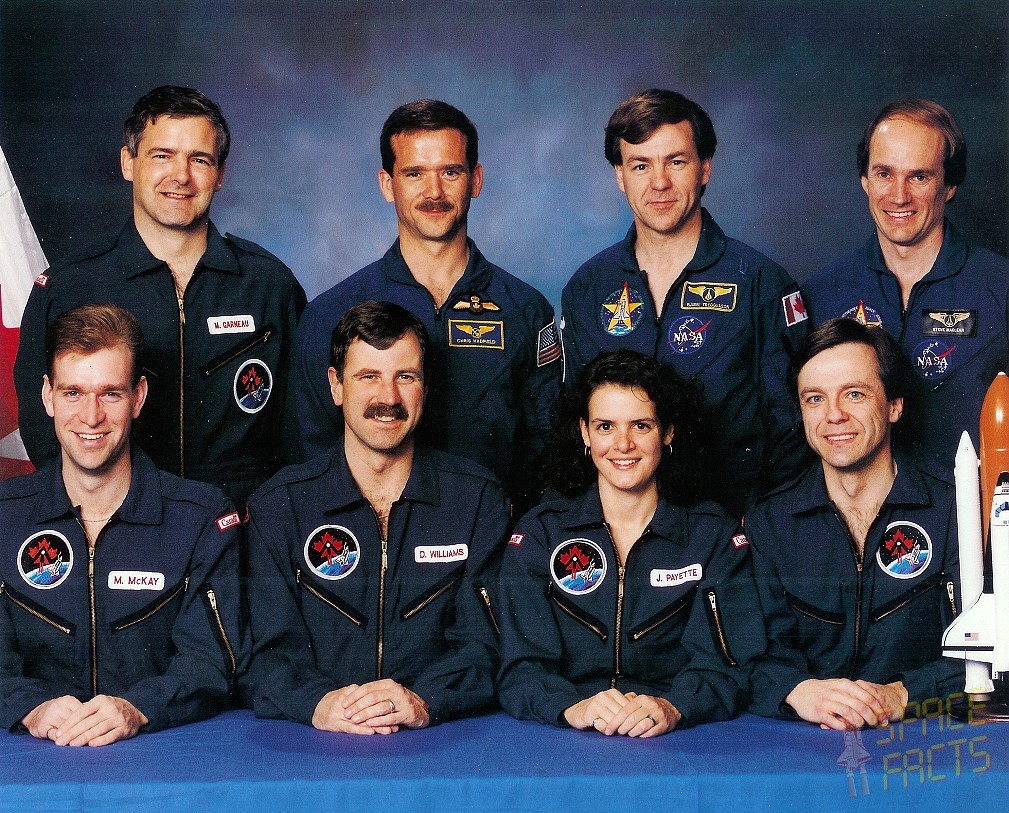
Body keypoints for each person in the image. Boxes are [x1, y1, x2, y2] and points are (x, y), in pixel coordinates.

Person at [14, 85, 306, 506]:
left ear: (220, 174)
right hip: (120, 525)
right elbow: (44, 432)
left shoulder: (268, 285)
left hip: (244, 525)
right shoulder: (69, 288)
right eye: (162, 155)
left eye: (199, 159)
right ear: (128, 163)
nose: (181, 176)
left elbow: (303, 425)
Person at [246, 301, 507, 733]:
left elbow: (485, 645)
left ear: (426, 387)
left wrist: (425, 700)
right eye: (368, 377)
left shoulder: (477, 502)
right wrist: (318, 703)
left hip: (441, 738)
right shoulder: (280, 506)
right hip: (313, 741)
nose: (388, 398)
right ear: (336, 386)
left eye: (405, 377)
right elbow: (264, 652)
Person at [288, 99, 561, 512]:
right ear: (387, 184)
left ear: (475, 180)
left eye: (450, 172)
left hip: (494, 534)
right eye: (414, 173)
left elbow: (546, 450)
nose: (434, 192)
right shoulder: (330, 314)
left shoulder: (525, 310)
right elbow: (309, 455)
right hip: (370, 537)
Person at [0, 304, 244, 745]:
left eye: (110, 394)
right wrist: (30, 707)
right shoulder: (5, 517)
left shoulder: (200, 519)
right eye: (73, 393)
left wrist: (138, 708)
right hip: (32, 760)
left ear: (138, 397)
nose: (91, 416)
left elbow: (211, 662)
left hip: (161, 758)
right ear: (48, 396)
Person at [561, 89, 809, 517]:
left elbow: (793, 429)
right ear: (620, 175)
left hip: (736, 528)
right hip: (621, 530)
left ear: (704, 168)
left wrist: (762, 528)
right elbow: (574, 425)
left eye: (676, 162)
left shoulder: (762, 283)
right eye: (641, 165)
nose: (659, 183)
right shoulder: (588, 288)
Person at [497, 350, 762, 735]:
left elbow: (728, 665)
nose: (622, 445)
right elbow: (519, 669)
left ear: (667, 432)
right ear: (585, 433)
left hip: (678, 737)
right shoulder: (540, 534)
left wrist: (676, 705)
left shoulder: (713, 536)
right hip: (566, 735)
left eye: (641, 426)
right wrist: (572, 707)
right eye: (605, 426)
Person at [746, 318, 962, 730]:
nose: (834, 415)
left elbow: (986, 652)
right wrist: (798, 690)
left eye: (855, 394)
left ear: (894, 405)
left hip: (923, 738)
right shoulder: (770, 522)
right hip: (801, 743)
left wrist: (904, 694)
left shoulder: (954, 511)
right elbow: (745, 651)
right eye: (814, 399)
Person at [803, 99, 1009, 470]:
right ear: (865, 180)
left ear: (949, 185)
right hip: (857, 504)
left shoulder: (999, 288)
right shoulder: (822, 294)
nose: (899, 196)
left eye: (919, 176)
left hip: (969, 503)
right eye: (884, 173)